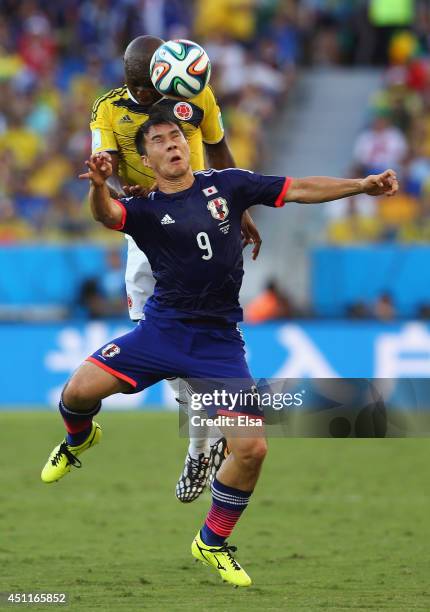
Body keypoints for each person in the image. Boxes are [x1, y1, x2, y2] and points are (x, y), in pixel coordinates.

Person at [41, 110, 398, 586]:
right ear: (146, 157)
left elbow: (298, 188)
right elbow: (106, 215)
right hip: (160, 332)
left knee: (252, 450)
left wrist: (362, 185)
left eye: (177, 137)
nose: (172, 145)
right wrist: (99, 184)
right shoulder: (145, 209)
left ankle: (211, 541)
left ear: (187, 145)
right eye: (160, 141)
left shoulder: (228, 184)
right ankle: (79, 438)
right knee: (77, 393)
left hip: (217, 343)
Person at [90, 34, 262, 502]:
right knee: (154, 334)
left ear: (161, 73)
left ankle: (199, 444)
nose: (141, 96)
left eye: (146, 87)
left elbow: (221, 151)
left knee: (202, 326)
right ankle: (203, 439)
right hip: (147, 227)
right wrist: (122, 184)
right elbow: (104, 163)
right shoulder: (107, 108)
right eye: (134, 87)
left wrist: (242, 210)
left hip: (205, 219)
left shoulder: (194, 92)